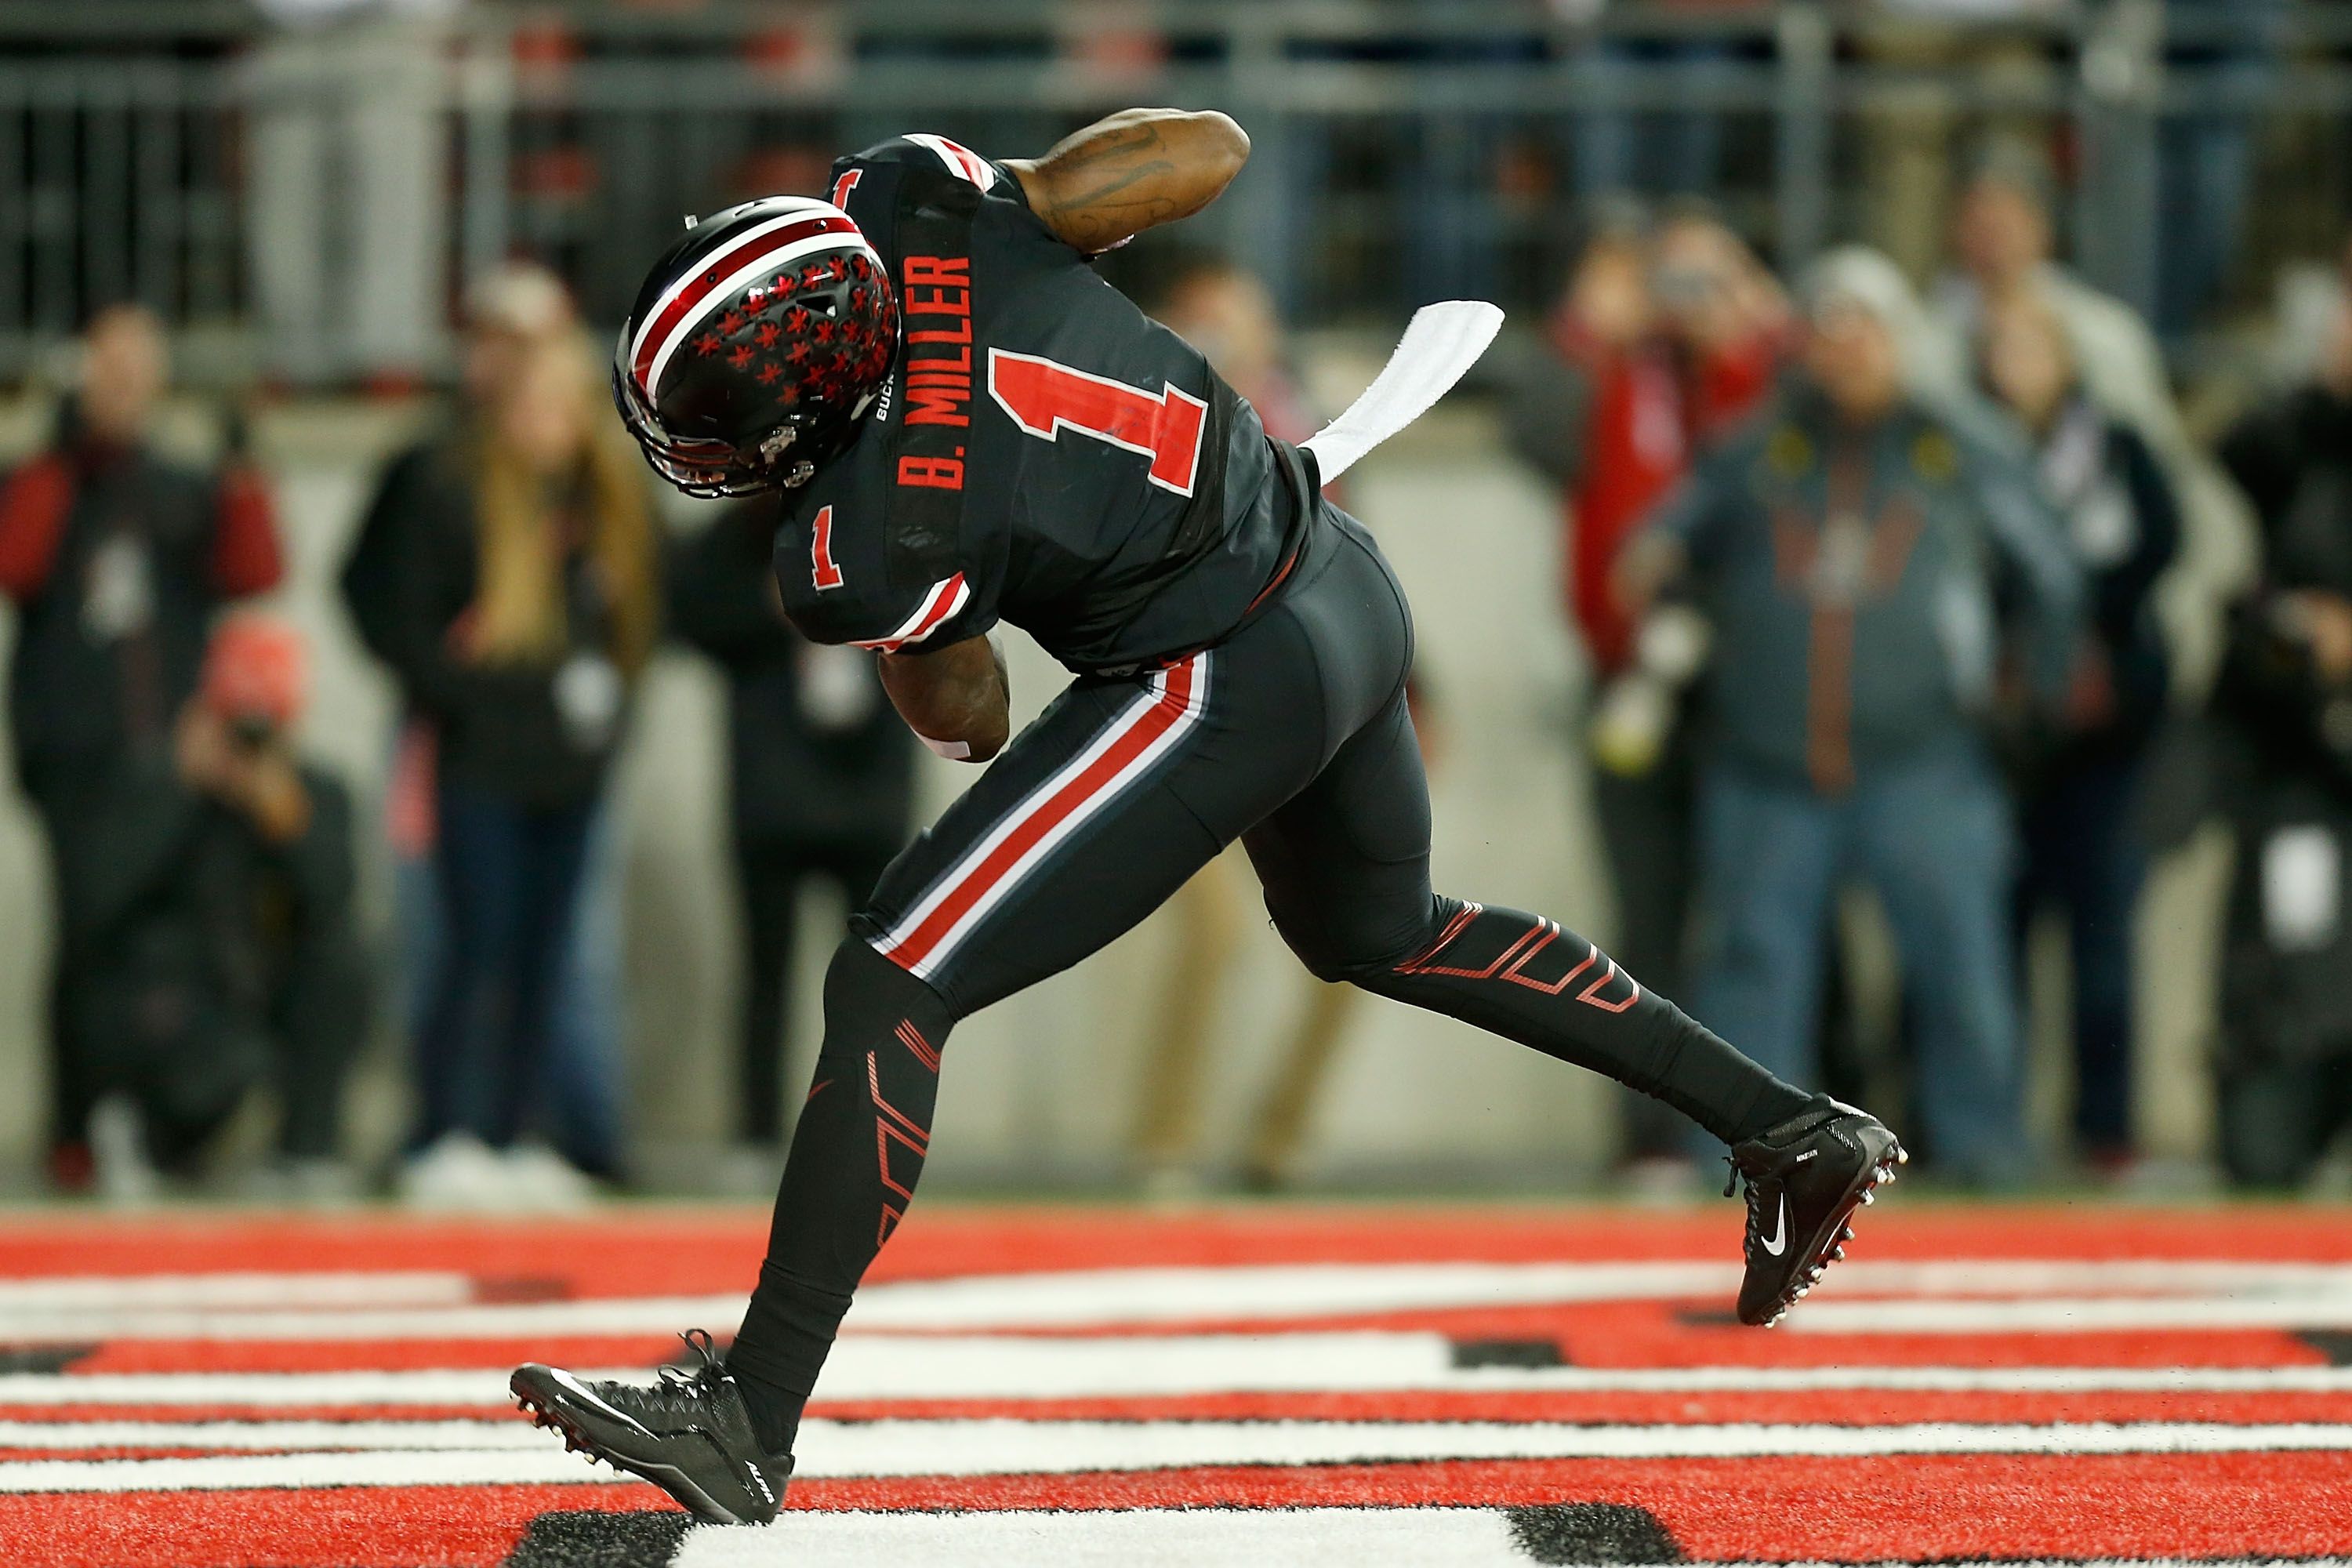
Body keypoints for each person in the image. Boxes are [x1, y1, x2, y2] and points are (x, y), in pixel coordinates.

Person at [510, 111, 1904, 1524]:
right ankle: (1787, 1130)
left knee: (895, 974)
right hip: (1333, 573)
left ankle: (751, 1413)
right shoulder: (915, 201)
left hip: (1216, 668)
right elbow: (1208, 149)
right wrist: (1044, 206)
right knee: (1384, 930)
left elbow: (967, 713)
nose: (705, 451)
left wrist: (874, 502)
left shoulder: (857, 539)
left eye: (716, 423)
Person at [1617, 248, 2082, 1188]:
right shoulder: (1761, 445)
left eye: (1866, 327)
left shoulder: (1958, 442)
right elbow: (1664, 531)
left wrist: (2029, 706)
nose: (1848, 349)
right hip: (1767, 764)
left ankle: (1988, 1153)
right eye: (1828, 330)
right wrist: (1656, 556)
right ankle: (1742, 1158)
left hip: (1927, 762)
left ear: (1903, 338)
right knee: (1751, 974)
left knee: (1960, 969)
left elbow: (2052, 573)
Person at [343, 263, 638, 1207]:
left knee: (551, 959)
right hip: (476, 764)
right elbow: (395, 608)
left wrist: (601, 729)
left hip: (569, 770)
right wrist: (454, 697)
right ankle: (443, 1128)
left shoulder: (607, 505)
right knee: (467, 948)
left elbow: (632, 633)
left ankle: (519, 1132)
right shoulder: (443, 480)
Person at [1499, 205, 1784, 1174]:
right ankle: (1651, 1139)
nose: (1691, 304)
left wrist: (1755, 334)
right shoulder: (1621, 370)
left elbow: (1776, 459)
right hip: (1634, 680)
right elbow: (1528, 428)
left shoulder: (1769, 369)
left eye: (1714, 279)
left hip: (1754, 687)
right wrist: (1586, 323)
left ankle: (1780, 1125)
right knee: (1646, 921)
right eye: (1677, 281)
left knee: (1763, 913)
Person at [0, 304, 286, 1185]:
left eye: (138, 369)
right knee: (86, 942)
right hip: (75, 758)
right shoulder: (46, 476)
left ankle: (170, 1124)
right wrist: (64, 443)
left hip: (171, 759)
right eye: (109, 368)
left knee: (173, 938)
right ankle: (77, 1128)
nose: (124, 387)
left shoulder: (177, 484)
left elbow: (254, 571)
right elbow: (17, 564)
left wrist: (243, 463)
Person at [1976, 291, 2180, 1169]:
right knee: (1993, 937)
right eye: (2005, 346)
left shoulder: (2118, 447)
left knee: (2103, 932)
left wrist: (2084, 630)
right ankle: (1991, 1132)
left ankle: (2107, 1128)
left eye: (2036, 345)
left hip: (2106, 739)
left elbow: (2160, 543)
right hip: (2000, 735)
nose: (2019, 365)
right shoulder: (1965, 448)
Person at [666, 499, 916, 1156]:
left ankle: (872, 1131)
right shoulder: (749, 526)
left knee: (877, 983)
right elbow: (683, 608)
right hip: (773, 795)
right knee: (764, 977)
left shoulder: (887, 507)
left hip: (868, 792)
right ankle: (758, 1134)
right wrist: (766, 607)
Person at [2205, 283, 2352, 1186]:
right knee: (2291, 948)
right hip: (2301, 767)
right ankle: (2279, 1133)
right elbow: (2235, 467)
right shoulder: (2296, 442)